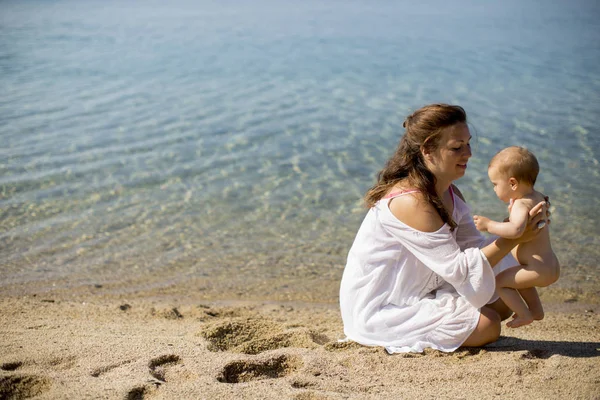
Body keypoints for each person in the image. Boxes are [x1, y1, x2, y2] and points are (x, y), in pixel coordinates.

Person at [339, 104, 548, 354]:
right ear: (427, 150)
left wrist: (518, 228)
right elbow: (460, 269)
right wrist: (513, 239)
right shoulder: (412, 202)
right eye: (457, 147)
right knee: (489, 325)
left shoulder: (449, 191)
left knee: (502, 298)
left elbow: (475, 246)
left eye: (469, 143)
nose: (468, 153)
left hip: (422, 288)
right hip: (381, 306)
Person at [473, 146, 559, 328]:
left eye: (495, 184)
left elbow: (517, 231)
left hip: (537, 269)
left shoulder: (521, 204)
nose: (494, 189)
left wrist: (488, 225)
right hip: (547, 265)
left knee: (501, 283)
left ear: (512, 183)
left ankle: (524, 314)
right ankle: (536, 310)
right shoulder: (537, 197)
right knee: (518, 279)